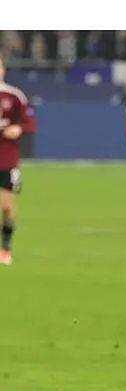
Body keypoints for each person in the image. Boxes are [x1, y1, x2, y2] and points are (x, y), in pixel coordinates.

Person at [0, 55, 36, 266]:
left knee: (7, 207)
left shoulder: (14, 96)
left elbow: (29, 122)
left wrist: (19, 128)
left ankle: (5, 249)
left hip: (7, 159)